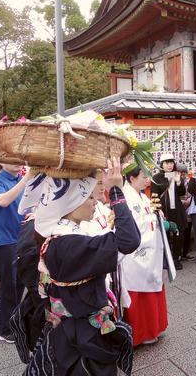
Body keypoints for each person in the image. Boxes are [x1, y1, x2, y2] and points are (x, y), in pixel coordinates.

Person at [21, 158, 141, 375]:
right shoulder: (71, 245)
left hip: (69, 330)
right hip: (83, 337)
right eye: (88, 196)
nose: (95, 200)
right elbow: (129, 241)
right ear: (70, 202)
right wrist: (115, 191)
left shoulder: (57, 238)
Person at [122, 165, 168, 347]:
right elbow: (134, 226)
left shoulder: (141, 195)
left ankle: (154, 327)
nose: (148, 180)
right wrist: (152, 220)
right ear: (132, 178)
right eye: (144, 176)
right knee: (138, 291)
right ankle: (142, 332)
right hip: (137, 253)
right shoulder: (126, 197)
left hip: (151, 250)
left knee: (153, 285)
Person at [0, 162, 32, 343]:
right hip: (4, 240)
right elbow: (3, 200)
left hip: (21, 238)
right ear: (1, 161)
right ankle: (5, 329)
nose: (17, 163)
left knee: (20, 283)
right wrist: (26, 179)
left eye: (19, 159)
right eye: (12, 159)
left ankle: (15, 322)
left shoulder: (19, 180)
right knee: (8, 285)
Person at [151, 153, 188, 270]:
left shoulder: (177, 175)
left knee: (179, 234)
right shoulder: (156, 178)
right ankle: (166, 259)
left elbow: (182, 193)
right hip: (164, 211)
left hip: (177, 210)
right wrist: (158, 210)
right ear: (162, 164)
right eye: (167, 163)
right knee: (164, 235)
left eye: (172, 163)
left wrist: (178, 182)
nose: (170, 165)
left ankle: (176, 259)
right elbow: (154, 195)